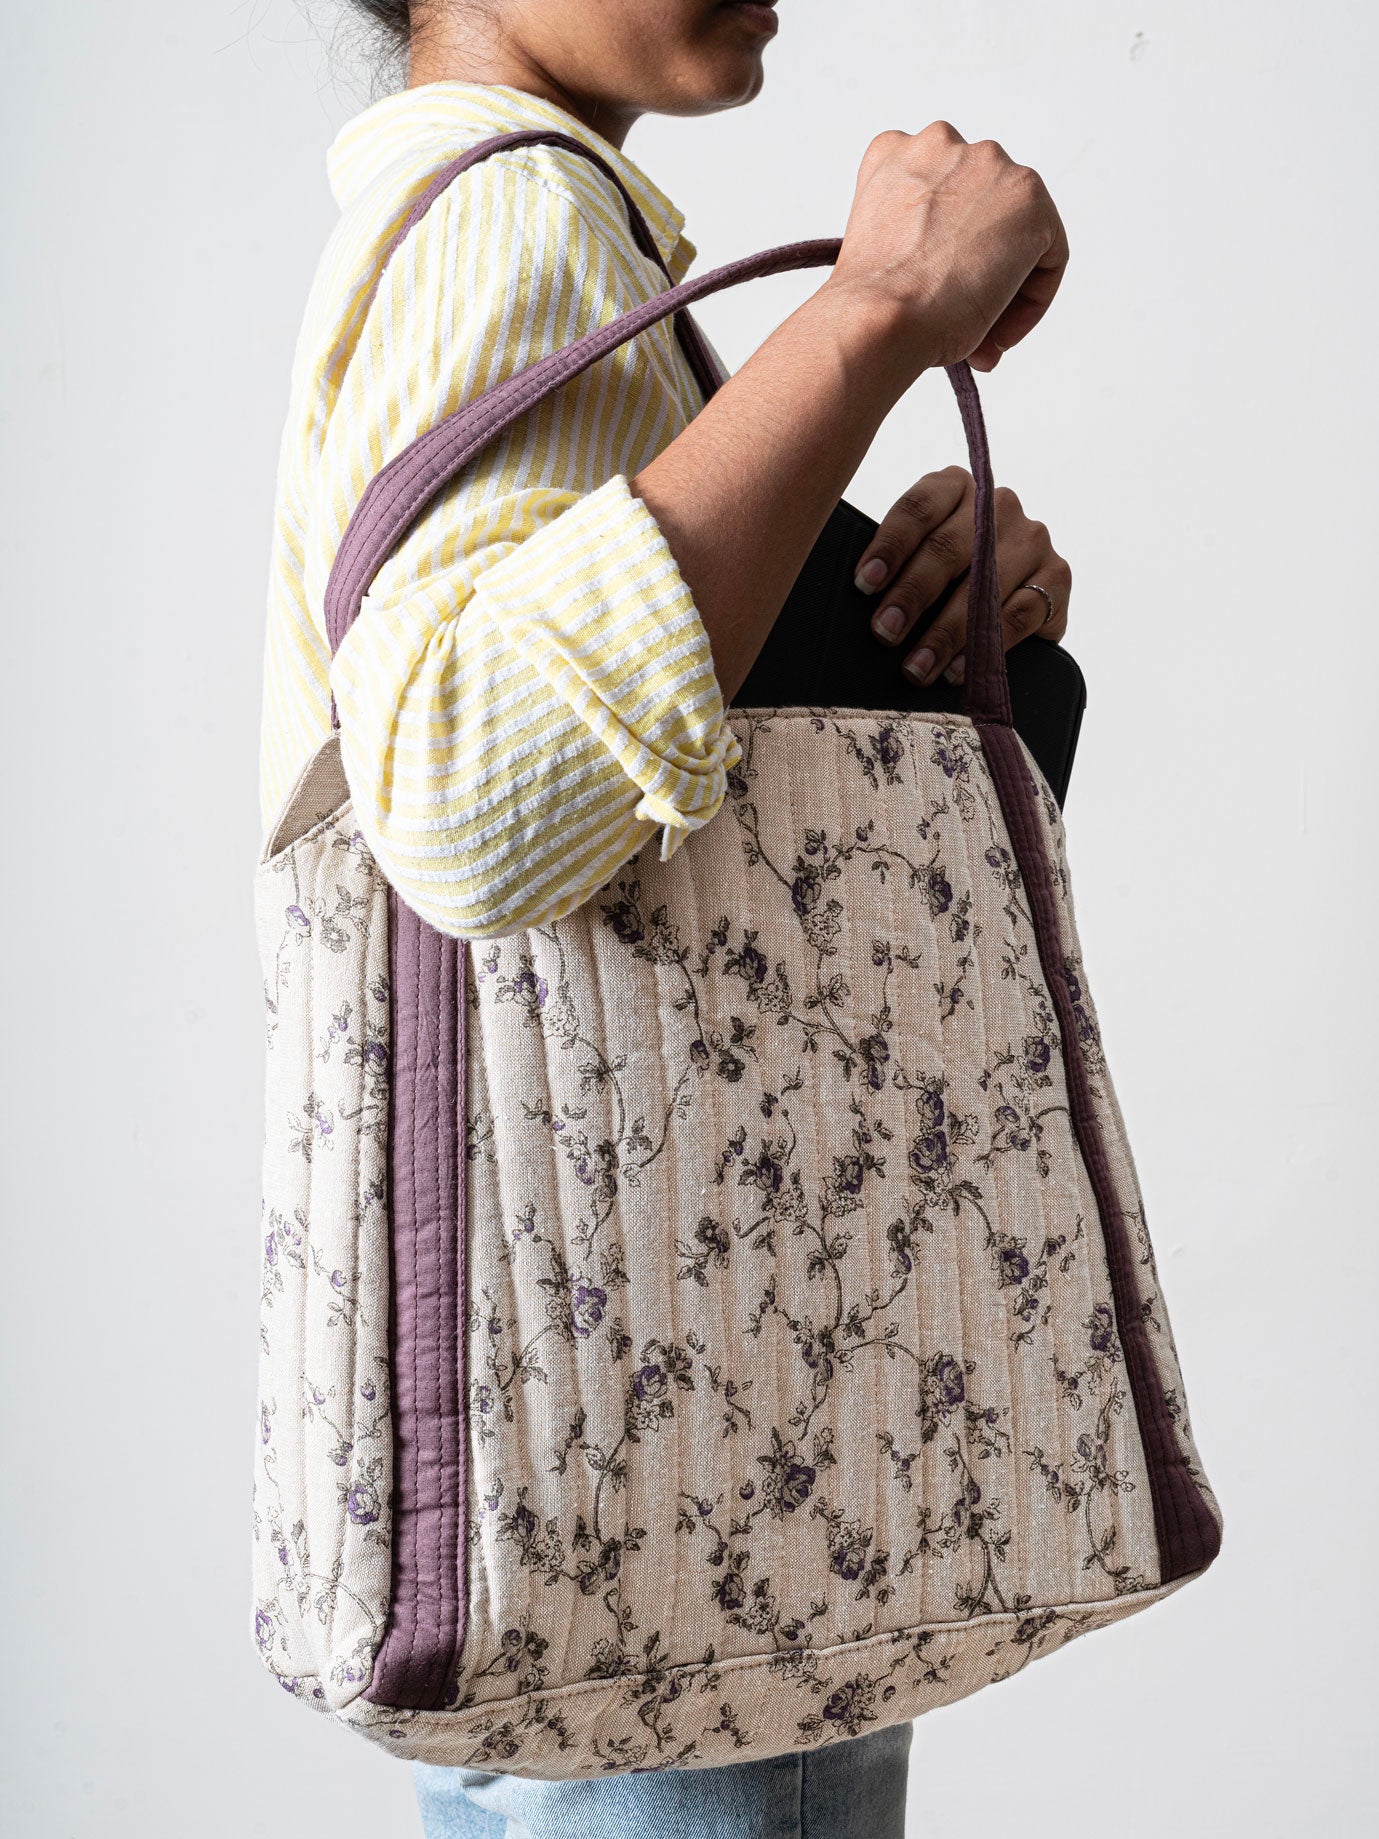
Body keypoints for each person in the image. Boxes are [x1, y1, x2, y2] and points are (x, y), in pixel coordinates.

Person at [262, 2, 1071, 1831]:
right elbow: (469, 801)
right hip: (694, 1479)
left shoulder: (535, 228)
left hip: (639, 1468)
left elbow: (664, 811)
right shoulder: (512, 222)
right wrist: (861, 323)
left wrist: (934, 607)